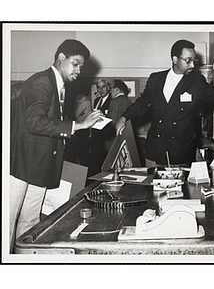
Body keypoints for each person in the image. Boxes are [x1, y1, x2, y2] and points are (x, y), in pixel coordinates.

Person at [10, 39, 102, 250]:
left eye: (81, 66)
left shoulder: (59, 85)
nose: (79, 70)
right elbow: (34, 122)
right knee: (7, 224)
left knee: (30, 225)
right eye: (75, 63)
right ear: (61, 58)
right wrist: (79, 125)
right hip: (21, 164)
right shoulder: (43, 81)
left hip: (38, 165)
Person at [116, 39, 214, 167]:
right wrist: (124, 117)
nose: (192, 65)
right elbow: (142, 102)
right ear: (175, 59)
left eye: (194, 60)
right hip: (154, 151)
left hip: (179, 153)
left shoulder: (195, 82)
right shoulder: (156, 79)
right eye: (188, 60)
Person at [89, 79, 112, 176]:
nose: (101, 90)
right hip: (95, 137)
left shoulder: (112, 100)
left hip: (105, 138)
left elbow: (113, 120)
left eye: (103, 87)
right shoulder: (96, 100)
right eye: (98, 87)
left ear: (108, 88)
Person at [105, 79, 132, 151]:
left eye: (111, 89)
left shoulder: (114, 102)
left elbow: (112, 123)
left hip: (114, 140)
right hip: (126, 138)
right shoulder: (129, 102)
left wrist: (103, 119)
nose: (110, 92)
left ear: (116, 90)